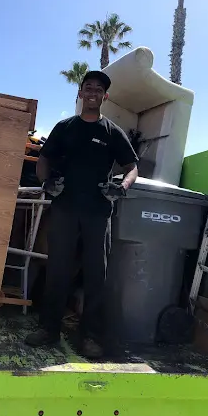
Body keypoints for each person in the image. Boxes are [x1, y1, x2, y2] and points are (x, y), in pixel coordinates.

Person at [25, 70, 138, 358]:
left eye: (98, 89)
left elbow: (132, 167)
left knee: (95, 276)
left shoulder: (113, 132)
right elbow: (44, 159)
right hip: (64, 209)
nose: (92, 92)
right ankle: (48, 329)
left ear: (105, 96)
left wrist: (122, 187)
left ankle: (90, 336)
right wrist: (46, 183)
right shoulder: (65, 127)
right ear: (80, 93)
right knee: (57, 271)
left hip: (98, 214)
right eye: (88, 87)